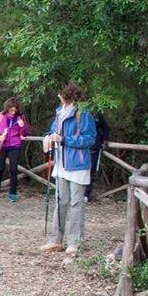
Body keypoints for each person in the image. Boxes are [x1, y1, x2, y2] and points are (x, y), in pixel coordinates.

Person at [41, 83, 96, 256]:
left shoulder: (84, 115)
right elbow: (52, 130)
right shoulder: (59, 113)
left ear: (67, 96)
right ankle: (55, 240)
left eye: (60, 94)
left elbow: (89, 139)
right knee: (60, 202)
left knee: (76, 203)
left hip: (78, 165)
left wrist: (65, 140)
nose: (58, 97)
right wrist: (50, 137)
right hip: (61, 164)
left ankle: (74, 242)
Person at [0, 97, 30, 202]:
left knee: (13, 169)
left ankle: (13, 193)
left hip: (15, 146)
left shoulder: (21, 117)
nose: (12, 112)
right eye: (10, 110)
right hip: (1, 145)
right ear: (7, 108)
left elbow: (25, 133)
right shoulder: (0, 116)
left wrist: (23, 126)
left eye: (14, 110)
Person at [85, 111, 110, 202]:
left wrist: (105, 140)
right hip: (80, 147)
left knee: (91, 170)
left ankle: (87, 194)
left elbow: (105, 127)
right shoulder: (77, 112)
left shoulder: (97, 114)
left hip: (94, 147)